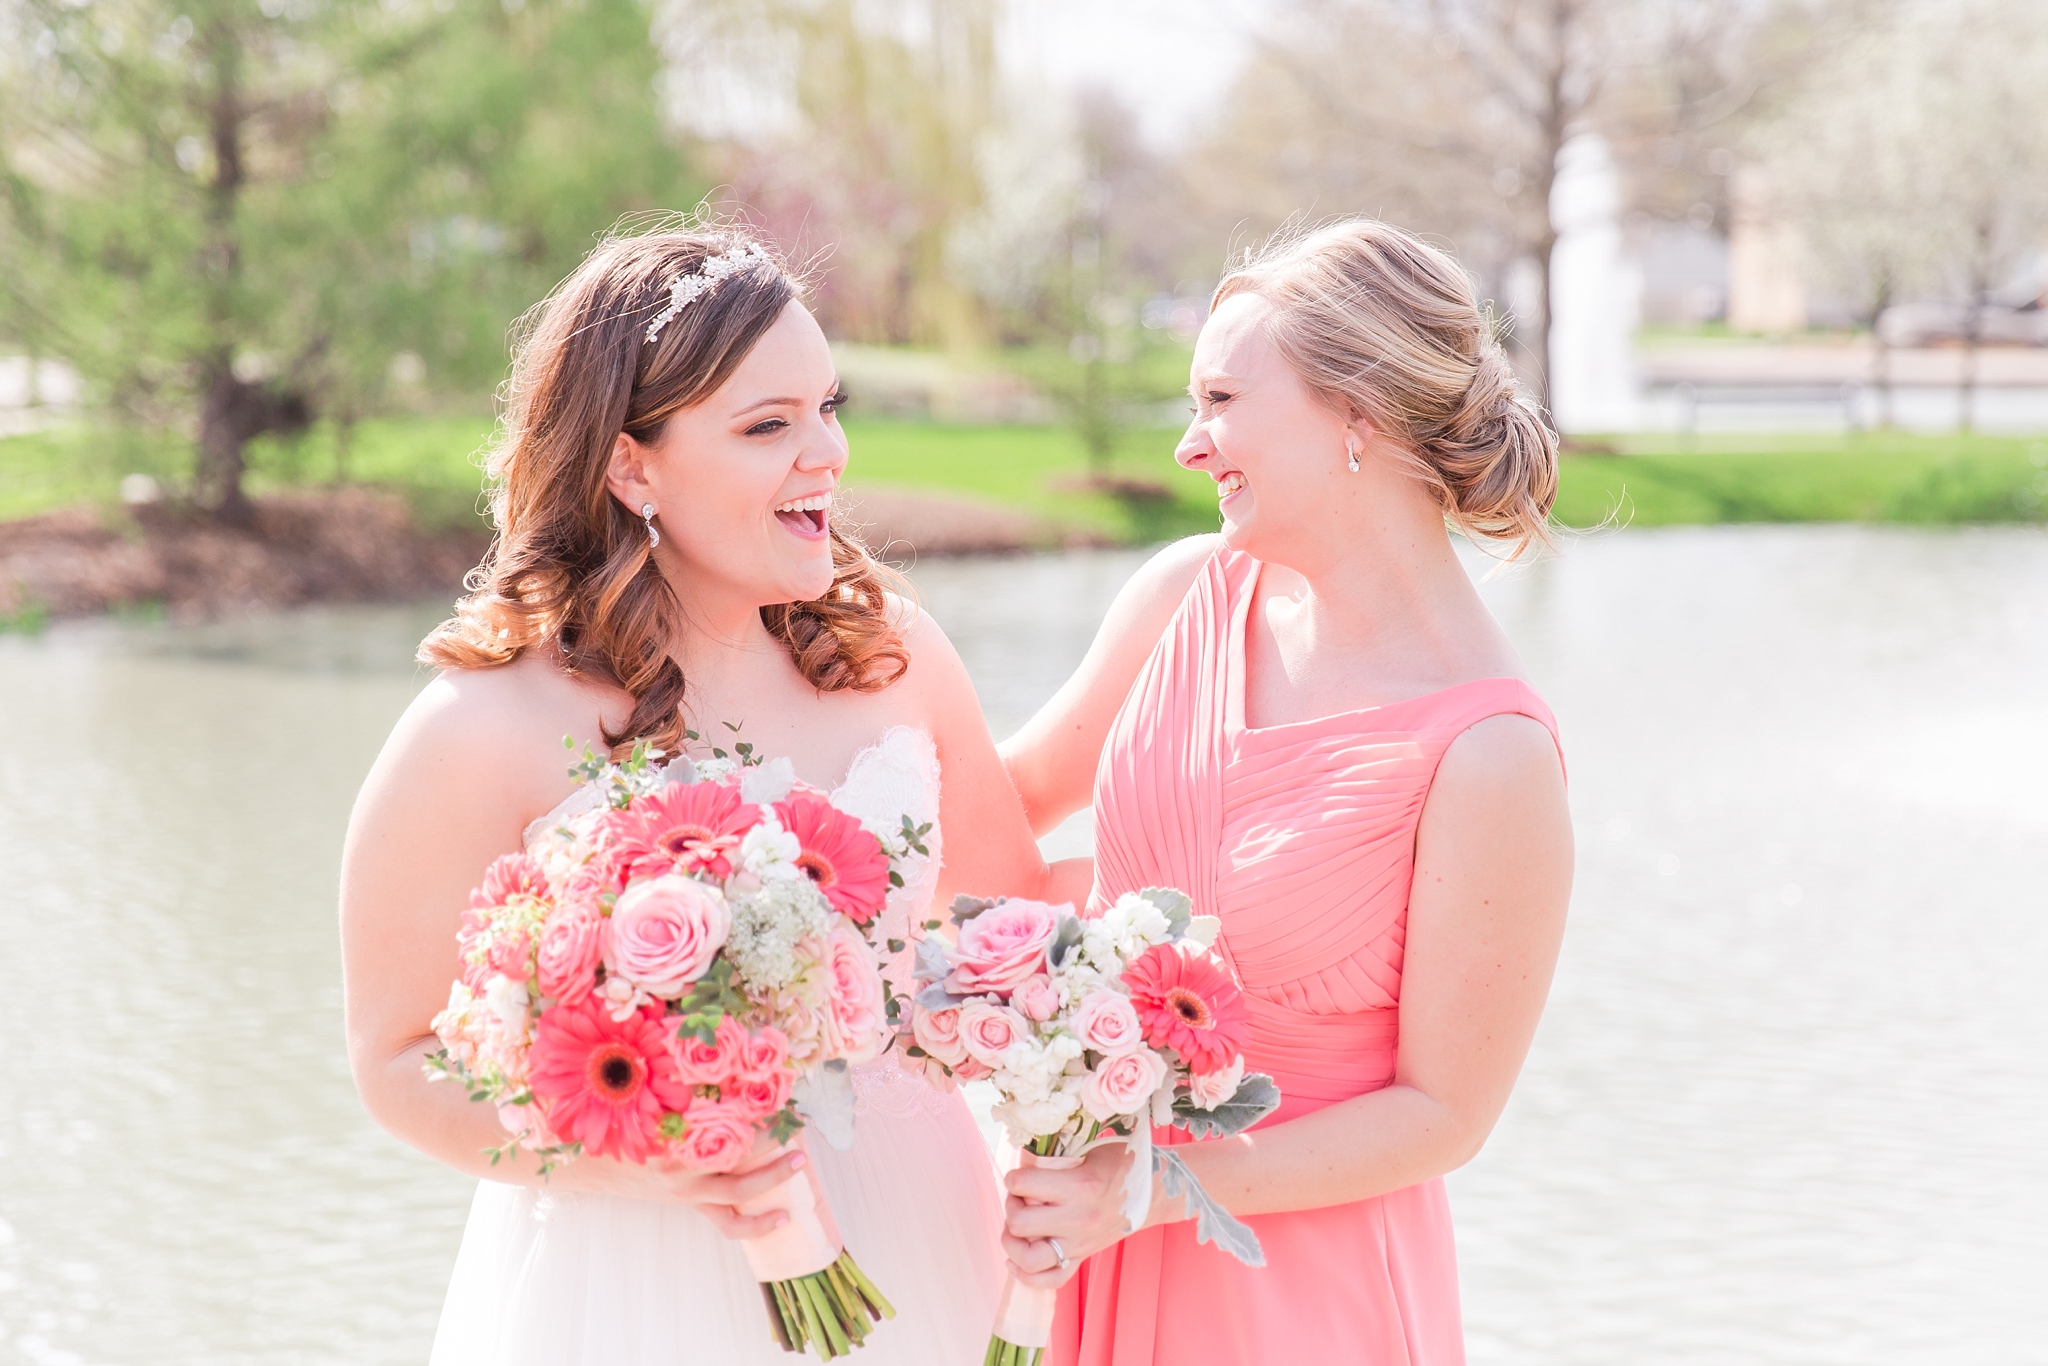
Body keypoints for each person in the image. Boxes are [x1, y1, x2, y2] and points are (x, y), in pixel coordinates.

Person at [339, 225, 1088, 1365]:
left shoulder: (899, 658)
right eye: (767, 426)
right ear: (631, 464)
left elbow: (1008, 916)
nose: (826, 454)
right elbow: (397, 1062)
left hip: (917, 1229)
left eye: (829, 406)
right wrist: (642, 1157)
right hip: (634, 1270)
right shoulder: (481, 727)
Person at [992, 219, 1576, 1364]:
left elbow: (1442, 1115)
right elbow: (999, 805)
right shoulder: (1182, 596)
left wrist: (1154, 1184)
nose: (1187, 445)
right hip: (1088, 1243)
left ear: (1355, 414)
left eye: (1217, 400)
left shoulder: (1489, 754)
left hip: (1294, 1290)